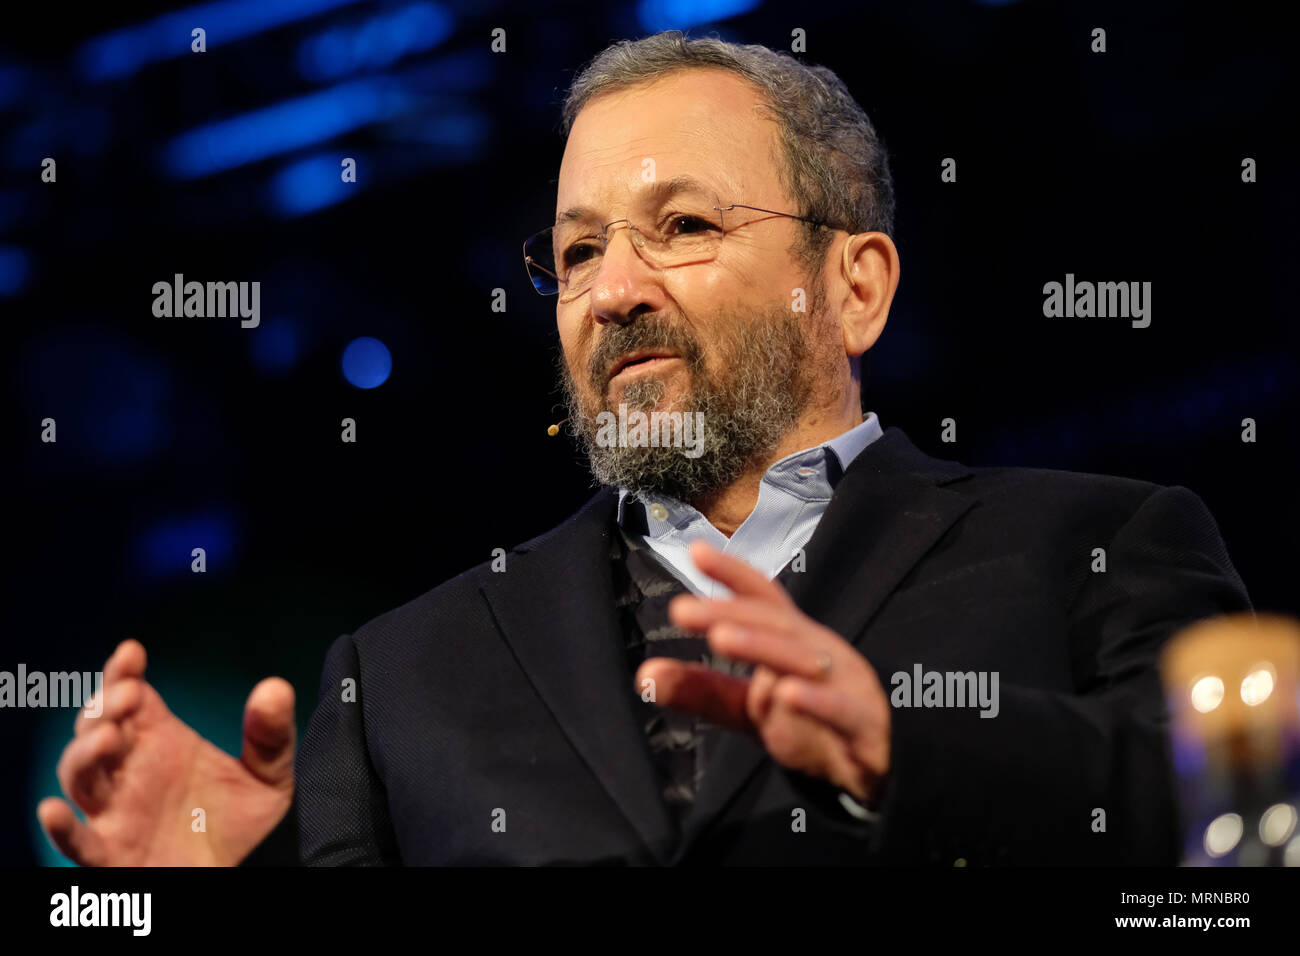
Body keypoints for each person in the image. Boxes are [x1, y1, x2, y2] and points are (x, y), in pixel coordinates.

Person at [37, 31, 1249, 866]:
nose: (610, 288)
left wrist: (904, 752)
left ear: (853, 287)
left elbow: (1228, 836)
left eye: (680, 225)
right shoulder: (399, 674)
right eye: (572, 252)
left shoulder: (1095, 545)